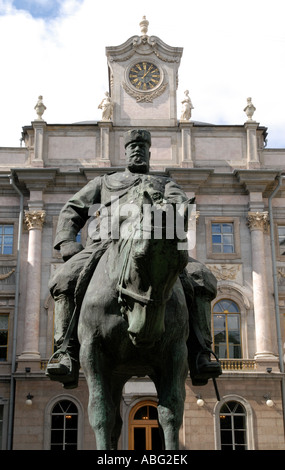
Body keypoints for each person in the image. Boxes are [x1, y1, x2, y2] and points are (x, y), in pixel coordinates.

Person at [46, 129, 221, 388]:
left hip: (156, 245)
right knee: (64, 278)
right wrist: (68, 240)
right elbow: (72, 208)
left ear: (149, 153)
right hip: (105, 246)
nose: (137, 151)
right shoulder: (105, 183)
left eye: (142, 147)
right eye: (132, 147)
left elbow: (179, 211)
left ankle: (200, 352)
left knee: (201, 277)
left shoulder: (165, 184)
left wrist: (168, 213)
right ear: (125, 152)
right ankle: (66, 351)